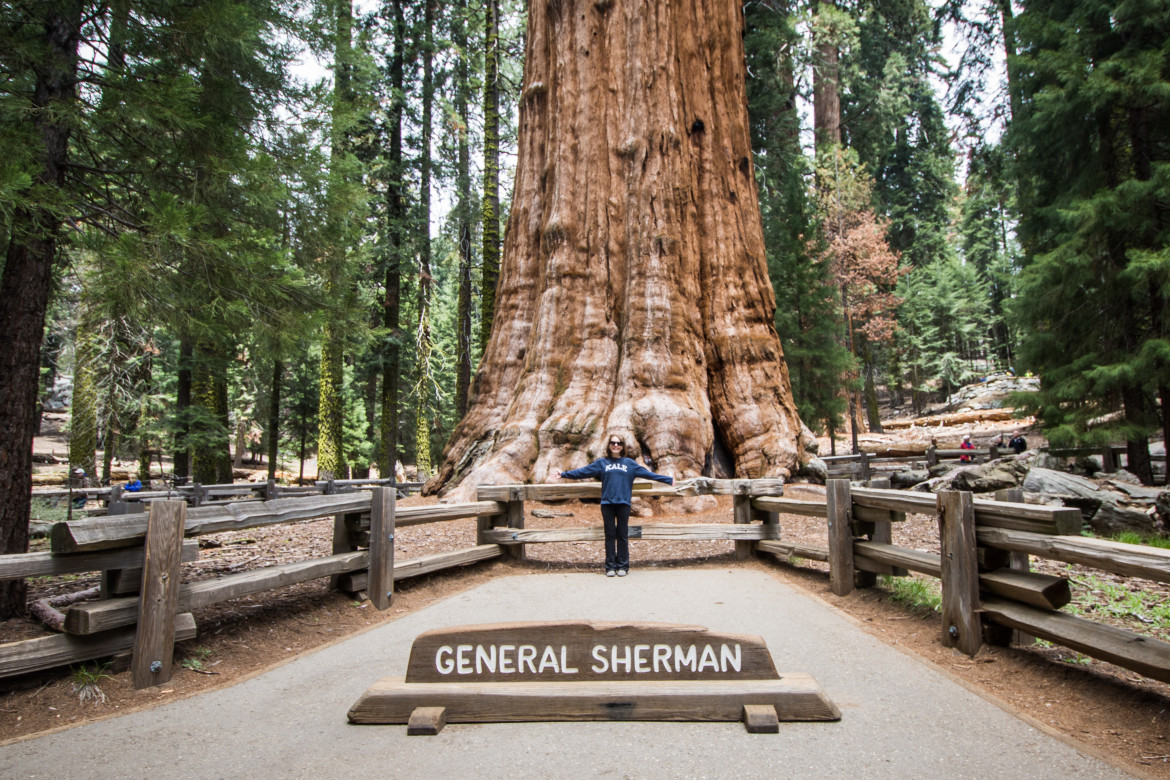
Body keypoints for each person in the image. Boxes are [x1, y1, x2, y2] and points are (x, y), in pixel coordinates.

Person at [551, 434, 673, 577]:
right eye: (613, 443)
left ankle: (622, 566)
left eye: (619, 443)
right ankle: (610, 567)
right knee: (609, 535)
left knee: (622, 535)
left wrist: (668, 480)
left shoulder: (630, 464)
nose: (616, 446)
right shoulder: (602, 463)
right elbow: (583, 471)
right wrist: (564, 474)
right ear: (609, 445)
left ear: (623, 446)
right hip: (607, 504)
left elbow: (649, 475)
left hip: (623, 504)